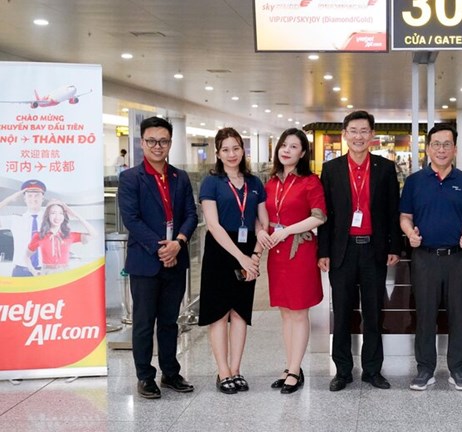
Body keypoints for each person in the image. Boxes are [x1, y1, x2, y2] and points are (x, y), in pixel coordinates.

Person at [317, 111, 402, 392]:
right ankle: (342, 371)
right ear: (345, 134)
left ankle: (372, 370)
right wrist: (323, 251)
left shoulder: (385, 168)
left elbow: (393, 211)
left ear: (372, 135)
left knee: (373, 313)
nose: (358, 136)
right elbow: (324, 215)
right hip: (342, 252)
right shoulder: (331, 170)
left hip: (374, 251)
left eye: (364, 131)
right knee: (341, 313)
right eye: (353, 131)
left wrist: (394, 246)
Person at [118, 116, 198, 399]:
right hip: (145, 262)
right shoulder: (130, 178)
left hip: (175, 259)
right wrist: (160, 248)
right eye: (151, 141)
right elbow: (132, 219)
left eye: (163, 141)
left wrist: (178, 243)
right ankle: (145, 376)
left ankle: (171, 373)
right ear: (142, 143)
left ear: (170, 143)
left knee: (169, 321)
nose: (157, 146)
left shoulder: (180, 177)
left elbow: (191, 214)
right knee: (143, 322)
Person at [399, 123, 462, 391]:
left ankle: (458, 370)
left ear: (455, 149)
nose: (442, 149)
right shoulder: (414, 182)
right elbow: (405, 217)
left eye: (447, 144)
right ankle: (425, 369)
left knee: (459, 314)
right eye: (436, 144)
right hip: (424, 258)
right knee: (425, 315)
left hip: (457, 258)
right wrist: (409, 233)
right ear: (428, 148)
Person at [198, 127, 267, 394]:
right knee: (219, 314)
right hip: (220, 251)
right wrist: (241, 258)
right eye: (225, 149)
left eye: (236, 148)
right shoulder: (211, 182)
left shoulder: (254, 182)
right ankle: (222, 371)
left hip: (248, 248)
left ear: (243, 150)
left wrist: (255, 256)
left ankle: (236, 369)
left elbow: (262, 223)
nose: (231, 154)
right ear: (218, 153)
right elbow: (213, 226)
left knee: (240, 313)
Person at [261, 128, 326, 395]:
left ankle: (296, 369)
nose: (286, 150)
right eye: (283, 145)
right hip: (276, 254)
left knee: (299, 311)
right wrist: (260, 232)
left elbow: (319, 216)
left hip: (299, 251)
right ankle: (290, 366)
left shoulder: (310, 181)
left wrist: (286, 231)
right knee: (285, 312)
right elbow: (263, 214)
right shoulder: (271, 182)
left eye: (294, 147)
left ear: (302, 153)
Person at [26, 201, 97, 274]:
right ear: (48, 216)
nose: (57, 216)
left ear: (64, 216)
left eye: (60, 213)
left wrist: (76, 216)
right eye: (53, 213)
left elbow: (94, 235)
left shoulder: (69, 235)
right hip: (46, 274)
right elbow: (26, 256)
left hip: (65, 273)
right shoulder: (39, 236)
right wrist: (34, 272)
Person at [0, 179, 47, 277]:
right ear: (24, 199)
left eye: (37, 195)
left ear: (43, 198)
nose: (33, 199)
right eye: (29, 195)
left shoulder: (51, 220)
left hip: (45, 271)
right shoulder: (15, 219)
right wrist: (10, 199)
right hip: (21, 272)